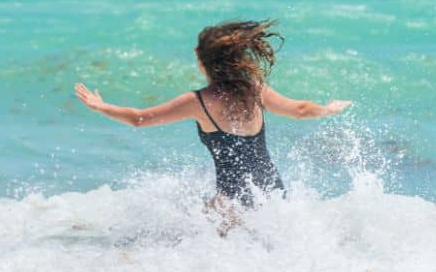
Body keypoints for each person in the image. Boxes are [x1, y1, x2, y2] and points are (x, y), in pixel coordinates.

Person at [74, 20, 351, 213]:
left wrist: (102, 106)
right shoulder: (255, 90)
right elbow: (300, 110)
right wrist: (328, 109)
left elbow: (139, 119)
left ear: (200, 58)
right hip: (273, 194)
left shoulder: (198, 101)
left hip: (231, 203)